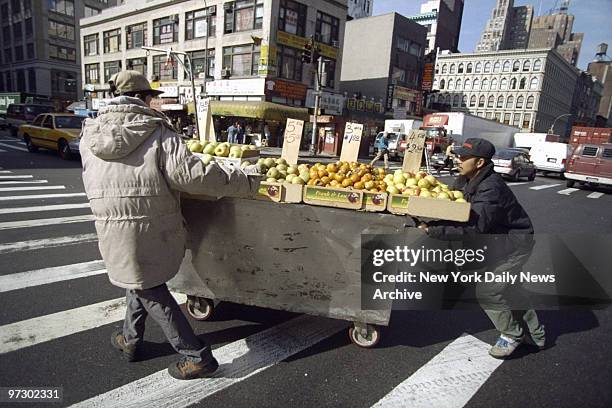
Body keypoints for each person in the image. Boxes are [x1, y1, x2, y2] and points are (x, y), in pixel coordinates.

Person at [80, 71, 260, 380]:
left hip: (112, 225)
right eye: (151, 96)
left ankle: (130, 340)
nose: (154, 102)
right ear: (142, 98)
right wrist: (246, 180)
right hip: (151, 225)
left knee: (137, 277)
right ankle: (196, 354)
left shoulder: (89, 135)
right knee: (149, 288)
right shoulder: (157, 132)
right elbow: (194, 176)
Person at [419, 138, 545, 359]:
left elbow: (475, 228)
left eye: (464, 157)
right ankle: (536, 336)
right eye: (459, 155)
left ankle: (511, 335)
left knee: (489, 291)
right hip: (500, 242)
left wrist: (434, 230)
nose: (458, 159)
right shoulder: (468, 178)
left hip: (514, 245)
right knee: (510, 289)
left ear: (479, 162)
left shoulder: (490, 188)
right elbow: (451, 202)